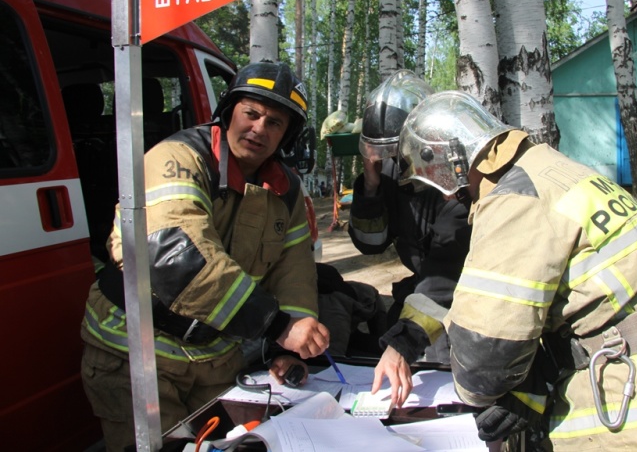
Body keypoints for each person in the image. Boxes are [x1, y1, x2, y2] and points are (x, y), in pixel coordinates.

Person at [396, 90, 637, 449]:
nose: (448, 197)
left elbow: (482, 364)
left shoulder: (515, 198)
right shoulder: (557, 169)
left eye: (438, 179)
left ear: (453, 159)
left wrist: (504, 388)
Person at [80, 61, 330, 451]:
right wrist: (277, 324)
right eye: (251, 113)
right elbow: (174, 257)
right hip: (138, 351)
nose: (260, 128)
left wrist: (289, 346)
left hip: (215, 359)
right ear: (229, 112)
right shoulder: (176, 158)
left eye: (275, 123)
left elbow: (293, 268)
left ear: (287, 135)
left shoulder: (287, 189)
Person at [347, 70, 472, 405]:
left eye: (400, 152)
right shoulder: (388, 171)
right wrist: (371, 185)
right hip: (422, 289)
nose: (396, 163)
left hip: (461, 299)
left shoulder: (452, 181)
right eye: (386, 155)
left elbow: (445, 277)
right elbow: (369, 244)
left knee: (442, 374)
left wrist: (403, 343)